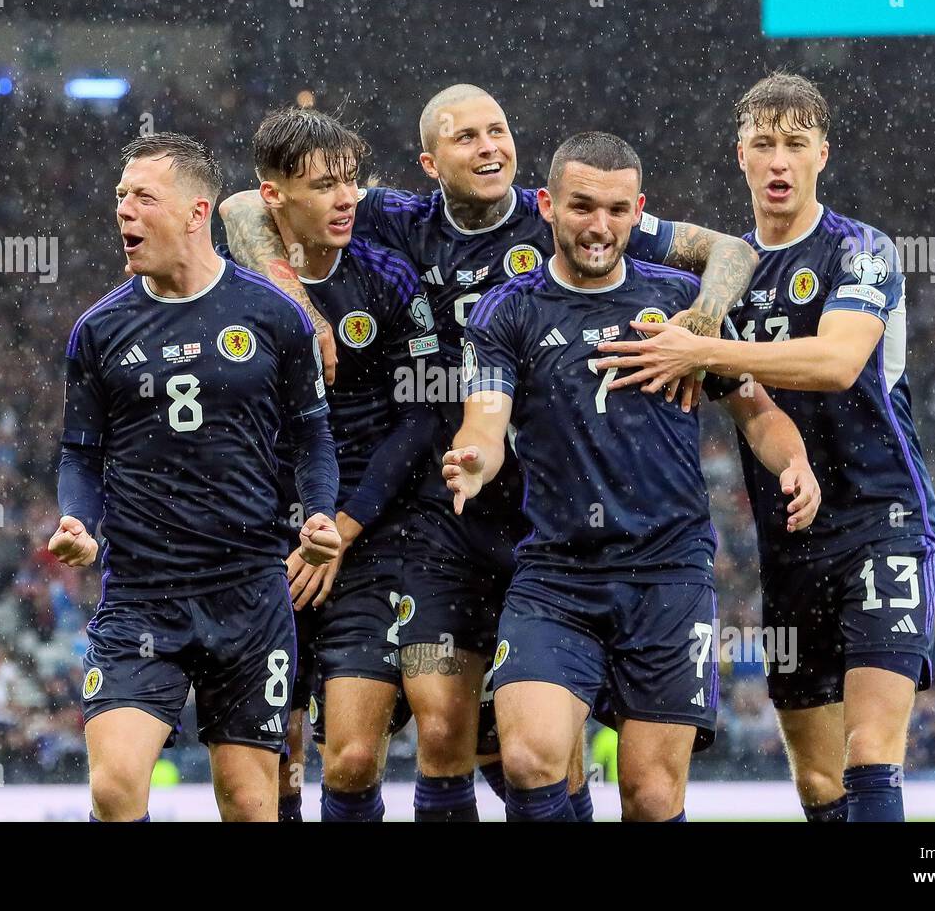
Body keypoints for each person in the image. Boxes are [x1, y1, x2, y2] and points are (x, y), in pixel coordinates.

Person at [219, 84, 760, 822]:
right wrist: (296, 301)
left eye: (497, 130)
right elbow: (244, 208)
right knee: (456, 736)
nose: (488, 147)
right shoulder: (397, 219)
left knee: (540, 761)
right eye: (465, 136)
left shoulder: (567, 217)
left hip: (552, 519)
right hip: (451, 518)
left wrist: (707, 315)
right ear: (428, 163)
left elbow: (726, 248)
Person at [594, 72, 935, 821]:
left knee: (871, 760)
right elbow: (617, 222)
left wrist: (709, 351)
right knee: (819, 786)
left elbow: (837, 361)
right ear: (741, 158)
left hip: (884, 523)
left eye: (794, 144)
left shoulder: (863, 250)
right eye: (763, 145)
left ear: (823, 153)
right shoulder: (726, 275)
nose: (778, 161)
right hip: (791, 540)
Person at [444, 131, 820, 821]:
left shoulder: (682, 303)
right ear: (548, 205)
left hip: (668, 576)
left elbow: (757, 413)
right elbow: (485, 423)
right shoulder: (510, 310)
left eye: (617, 210)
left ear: (638, 209)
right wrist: (472, 460)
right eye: (582, 206)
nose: (599, 226)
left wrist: (794, 464)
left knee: (650, 794)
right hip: (556, 575)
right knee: (529, 759)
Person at [48, 133, 340, 822]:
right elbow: (81, 454)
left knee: (248, 801)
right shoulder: (100, 330)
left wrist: (320, 512)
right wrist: (78, 523)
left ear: (194, 211)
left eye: (143, 197)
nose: (124, 210)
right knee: (115, 786)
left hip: (248, 595)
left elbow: (312, 434)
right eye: (120, 197)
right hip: (142, 596)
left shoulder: (272, 315)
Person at [233, 106, 440, 821]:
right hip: (263, 547)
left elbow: (420, 419)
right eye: (324, 186)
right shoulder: (232, 283)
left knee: (351, 757)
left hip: (368, 539)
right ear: (274, 196)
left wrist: (343, 528)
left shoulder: (388, 276)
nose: (346, 199)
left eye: (351, 182)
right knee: (275, 763)